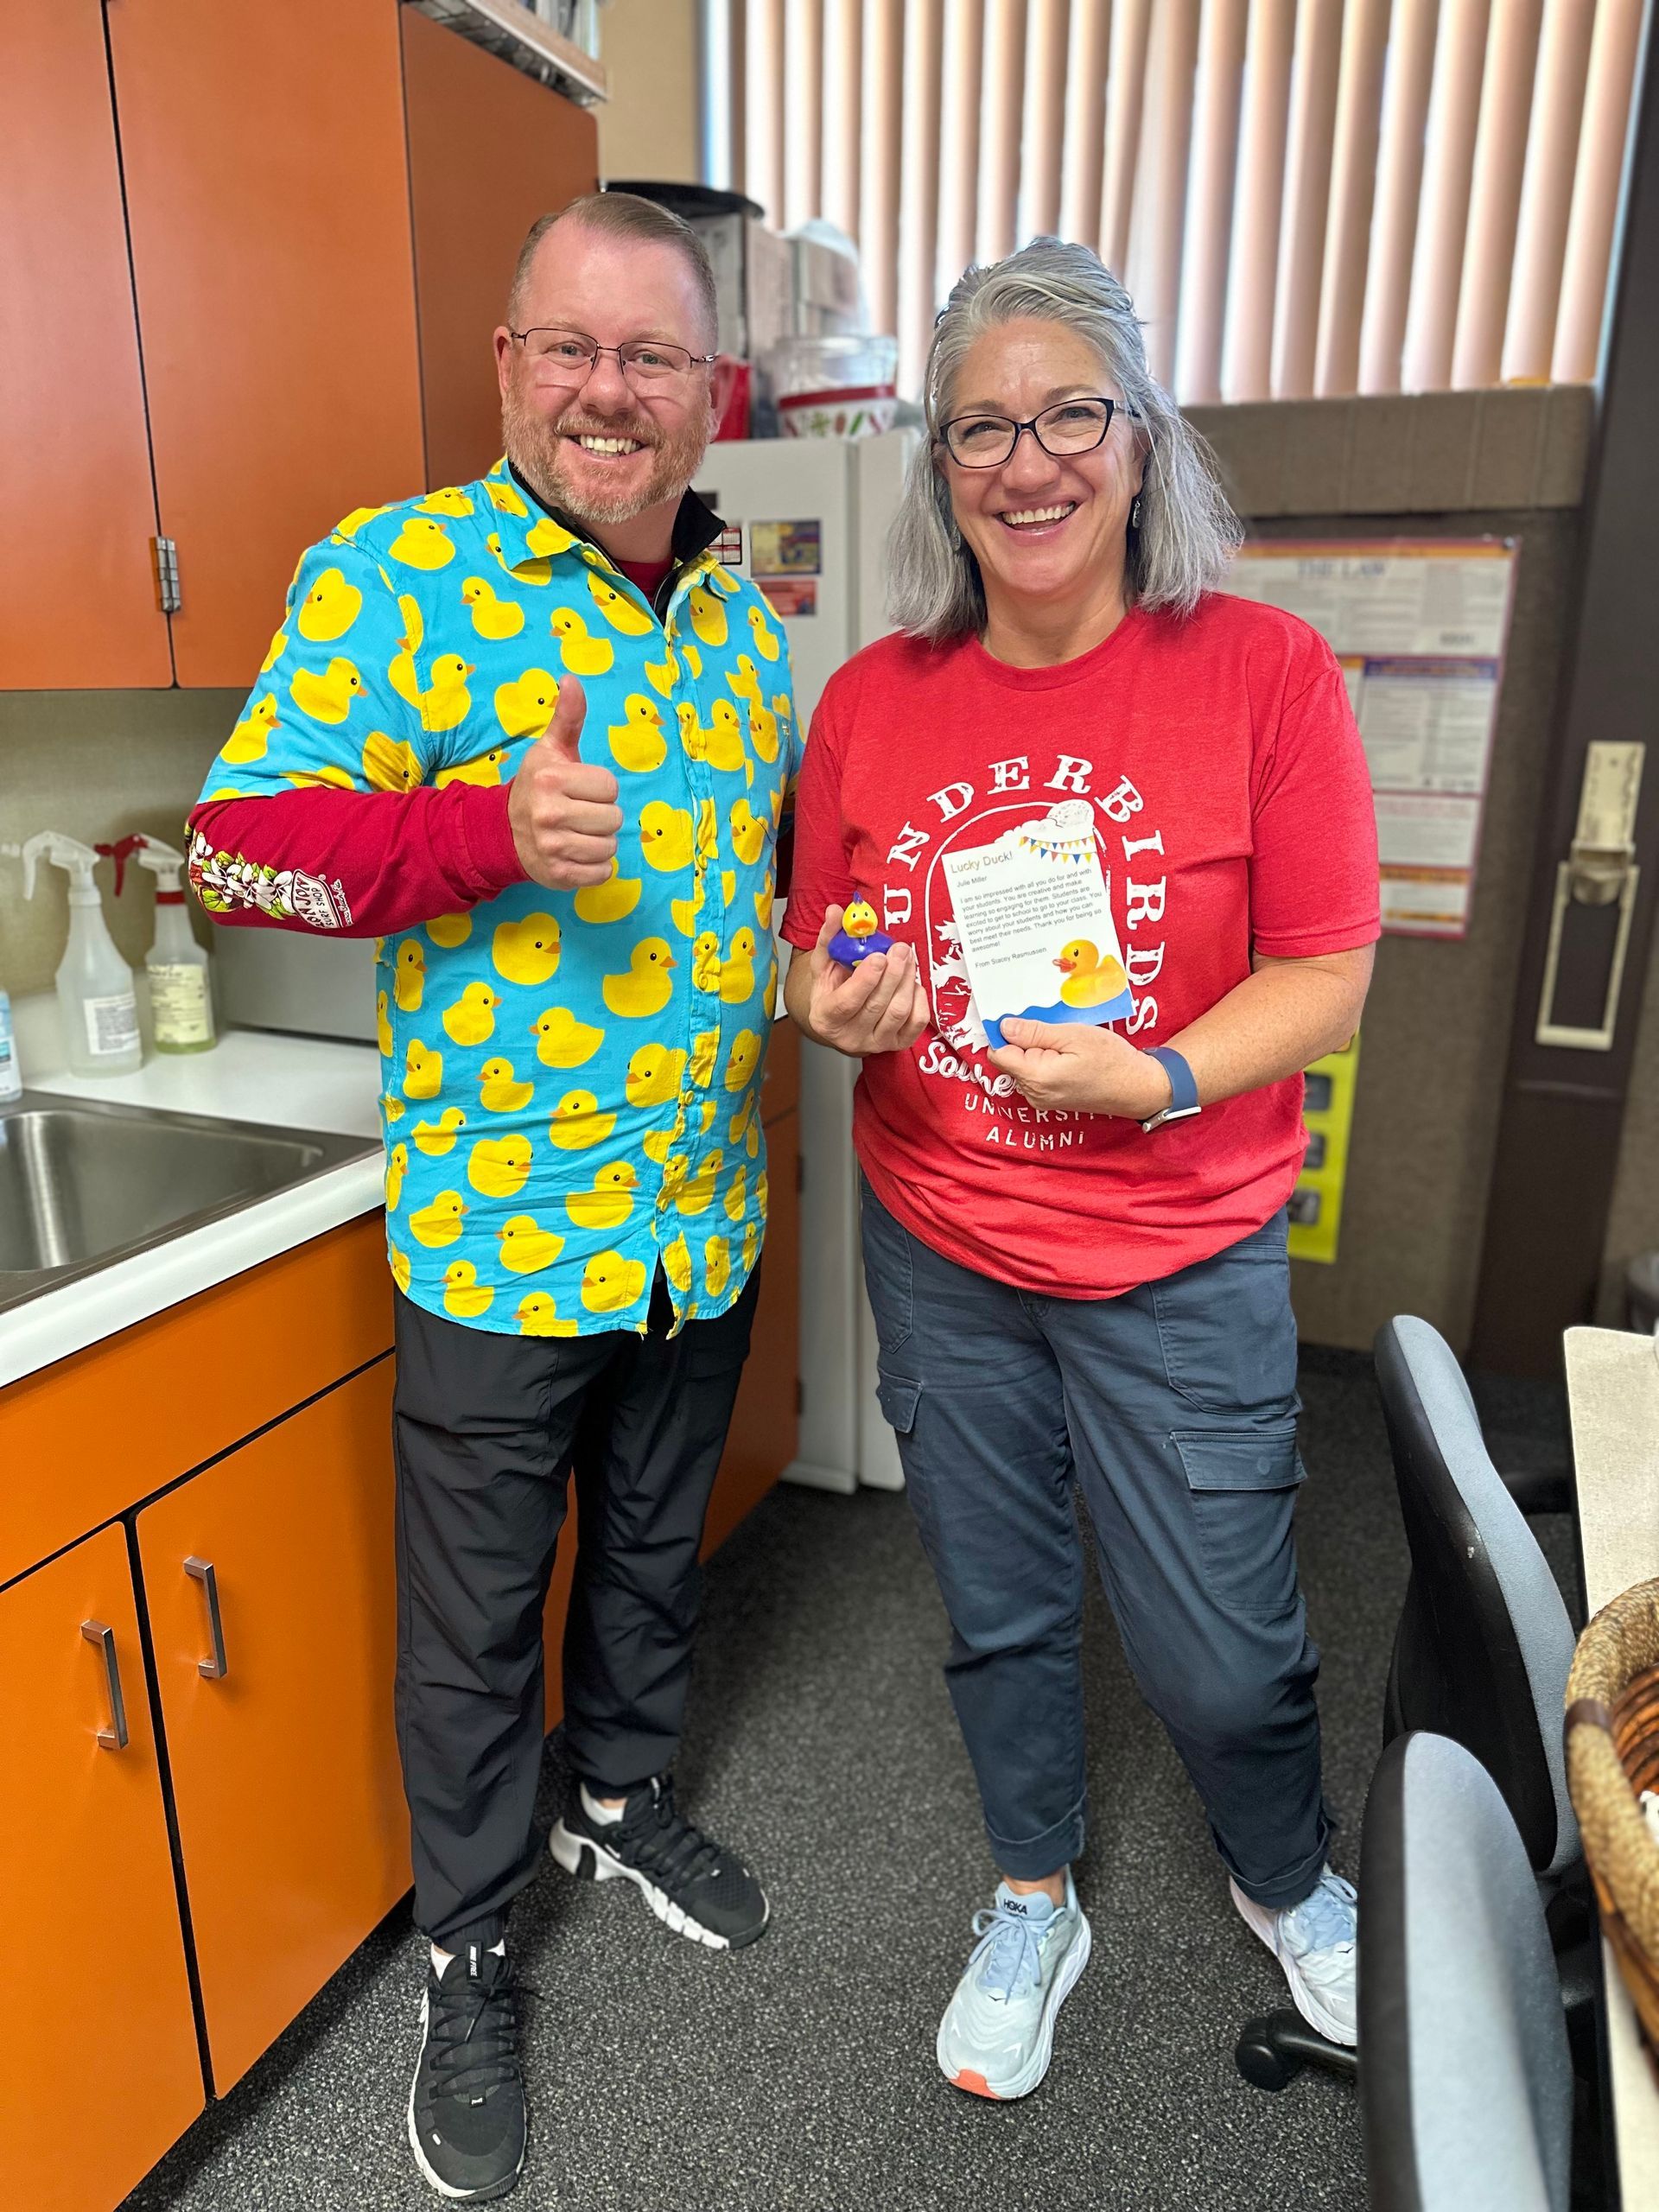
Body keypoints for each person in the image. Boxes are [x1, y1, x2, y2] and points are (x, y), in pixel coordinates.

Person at [188, 193, 797, 2201]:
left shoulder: (740, 623)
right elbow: (235, 860)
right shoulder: (398, 576)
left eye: (653, 358)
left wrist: (827, 969)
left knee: (647, 1545)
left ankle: (616, 1792)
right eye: (574, 349)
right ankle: (468, 1946)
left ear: (711, 398)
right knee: (470, 1635)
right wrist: (474, 828)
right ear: (512, 368)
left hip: (698, 1220)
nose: (610, 392)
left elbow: (749, 900)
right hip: (503, 1231)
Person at [782, 237, 1379, 2102]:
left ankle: (1284, 1870)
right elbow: (820, 947)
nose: (1026, 463)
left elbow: (1332, 971)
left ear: (1139, 439)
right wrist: (840, 1008)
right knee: (1002, 1599)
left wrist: (1171, 1069)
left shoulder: (1266, 674)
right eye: (982, 427)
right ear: (937, 465)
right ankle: (1035, 1888)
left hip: (1178, 1241)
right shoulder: (876, 695)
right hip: (945, 1233)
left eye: (1068, 415)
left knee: (1221, 1643)